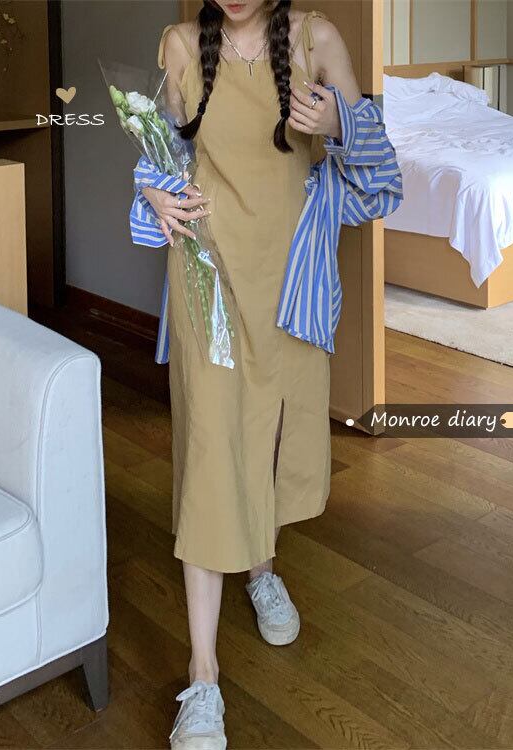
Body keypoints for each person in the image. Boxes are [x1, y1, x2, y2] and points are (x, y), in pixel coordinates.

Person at [131, 2, 399, 747]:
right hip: (207, 279)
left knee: (270, 433)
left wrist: (341, 123)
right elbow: (160, 156)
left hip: (290, 282)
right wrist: (152, 191)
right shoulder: (181, 44)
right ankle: (204, 675)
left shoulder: (317, 38)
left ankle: (261, 570)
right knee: (212, 450)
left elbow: (380, 168)